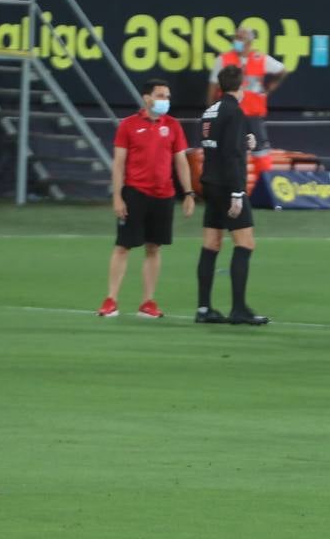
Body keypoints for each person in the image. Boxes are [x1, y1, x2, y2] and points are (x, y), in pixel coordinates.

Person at [97, 79, 195, 319]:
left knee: (154, 247)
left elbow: (181, 161)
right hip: (135, 193)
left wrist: (189, 193)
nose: (165, 101)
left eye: (167, 96)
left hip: (164, 194)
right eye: (161, 95)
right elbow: (119, 164)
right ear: (147, 98)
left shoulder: (172, 125)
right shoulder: (128, 125)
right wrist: (118, 197)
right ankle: (111, 300)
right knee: (123, 247)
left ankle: (148, 302)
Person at [197, 65, 268, 326]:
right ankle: (238, 309)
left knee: (211, 245)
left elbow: (217, 145)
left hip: (210, 183)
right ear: (242, 86)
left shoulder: (210, 111)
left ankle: (203, 308)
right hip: (228, 186)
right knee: (245, 244)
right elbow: (232, 155)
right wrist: (238, 192)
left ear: (219, 86)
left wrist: (243, 141)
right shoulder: (235, 111)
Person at [208, 26, 285, 184]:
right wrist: (210, 111)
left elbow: (282, 70)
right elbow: (212, 86)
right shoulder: (223, 59)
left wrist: (271, 87)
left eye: (240, 38)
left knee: (261, 153)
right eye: (235, 37)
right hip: (230, 114)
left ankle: (264, 188)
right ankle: (229, 188)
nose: (236, 41)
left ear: (250, 41)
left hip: (253, 115)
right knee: (230, 152)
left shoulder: (261, 59)